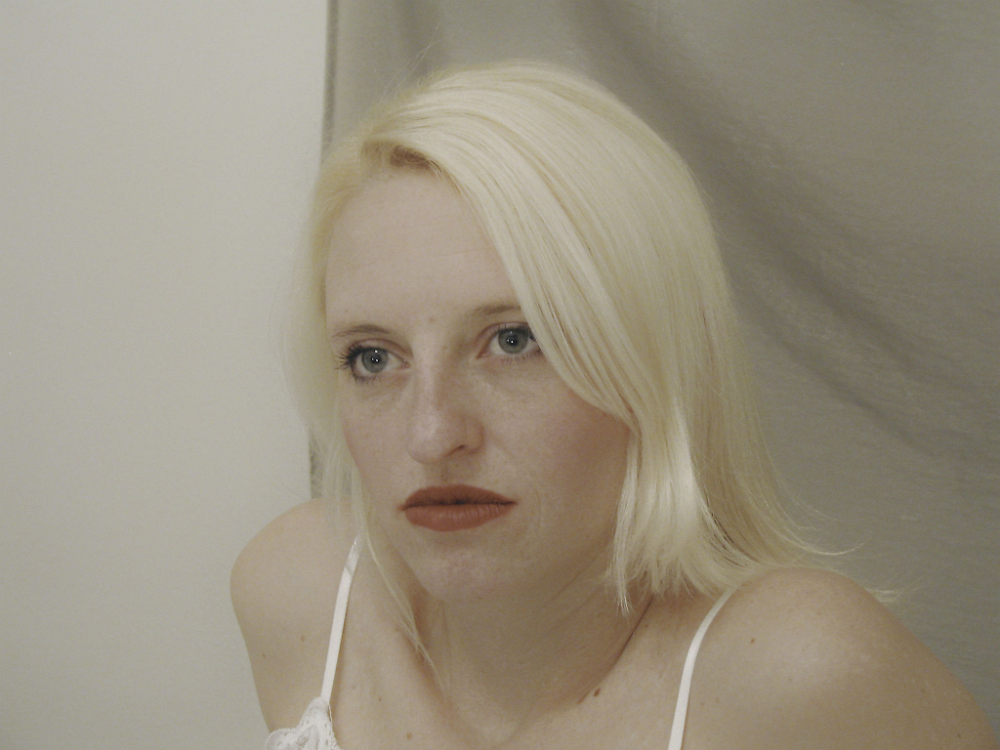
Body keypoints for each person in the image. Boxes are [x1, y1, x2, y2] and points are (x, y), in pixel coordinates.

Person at [231, 62, 997, 749]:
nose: (432, 435)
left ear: (652, 360)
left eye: (515, 340)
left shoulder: (800, 674)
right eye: (373, 357)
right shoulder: (301, 594)